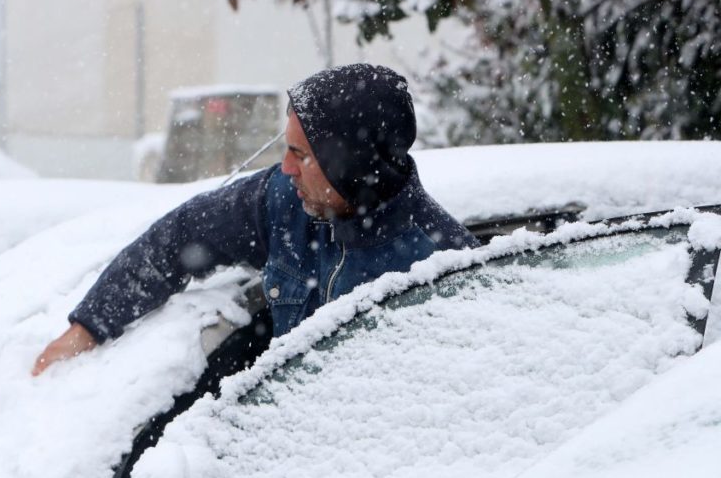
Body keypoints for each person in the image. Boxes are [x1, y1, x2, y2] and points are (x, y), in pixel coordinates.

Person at [32, 63, 478, 376]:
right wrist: (87, 328)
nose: (285, 168)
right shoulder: (287, 204)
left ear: (350, 164)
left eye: (301, 155)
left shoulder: (443, 268)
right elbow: (180, 237)